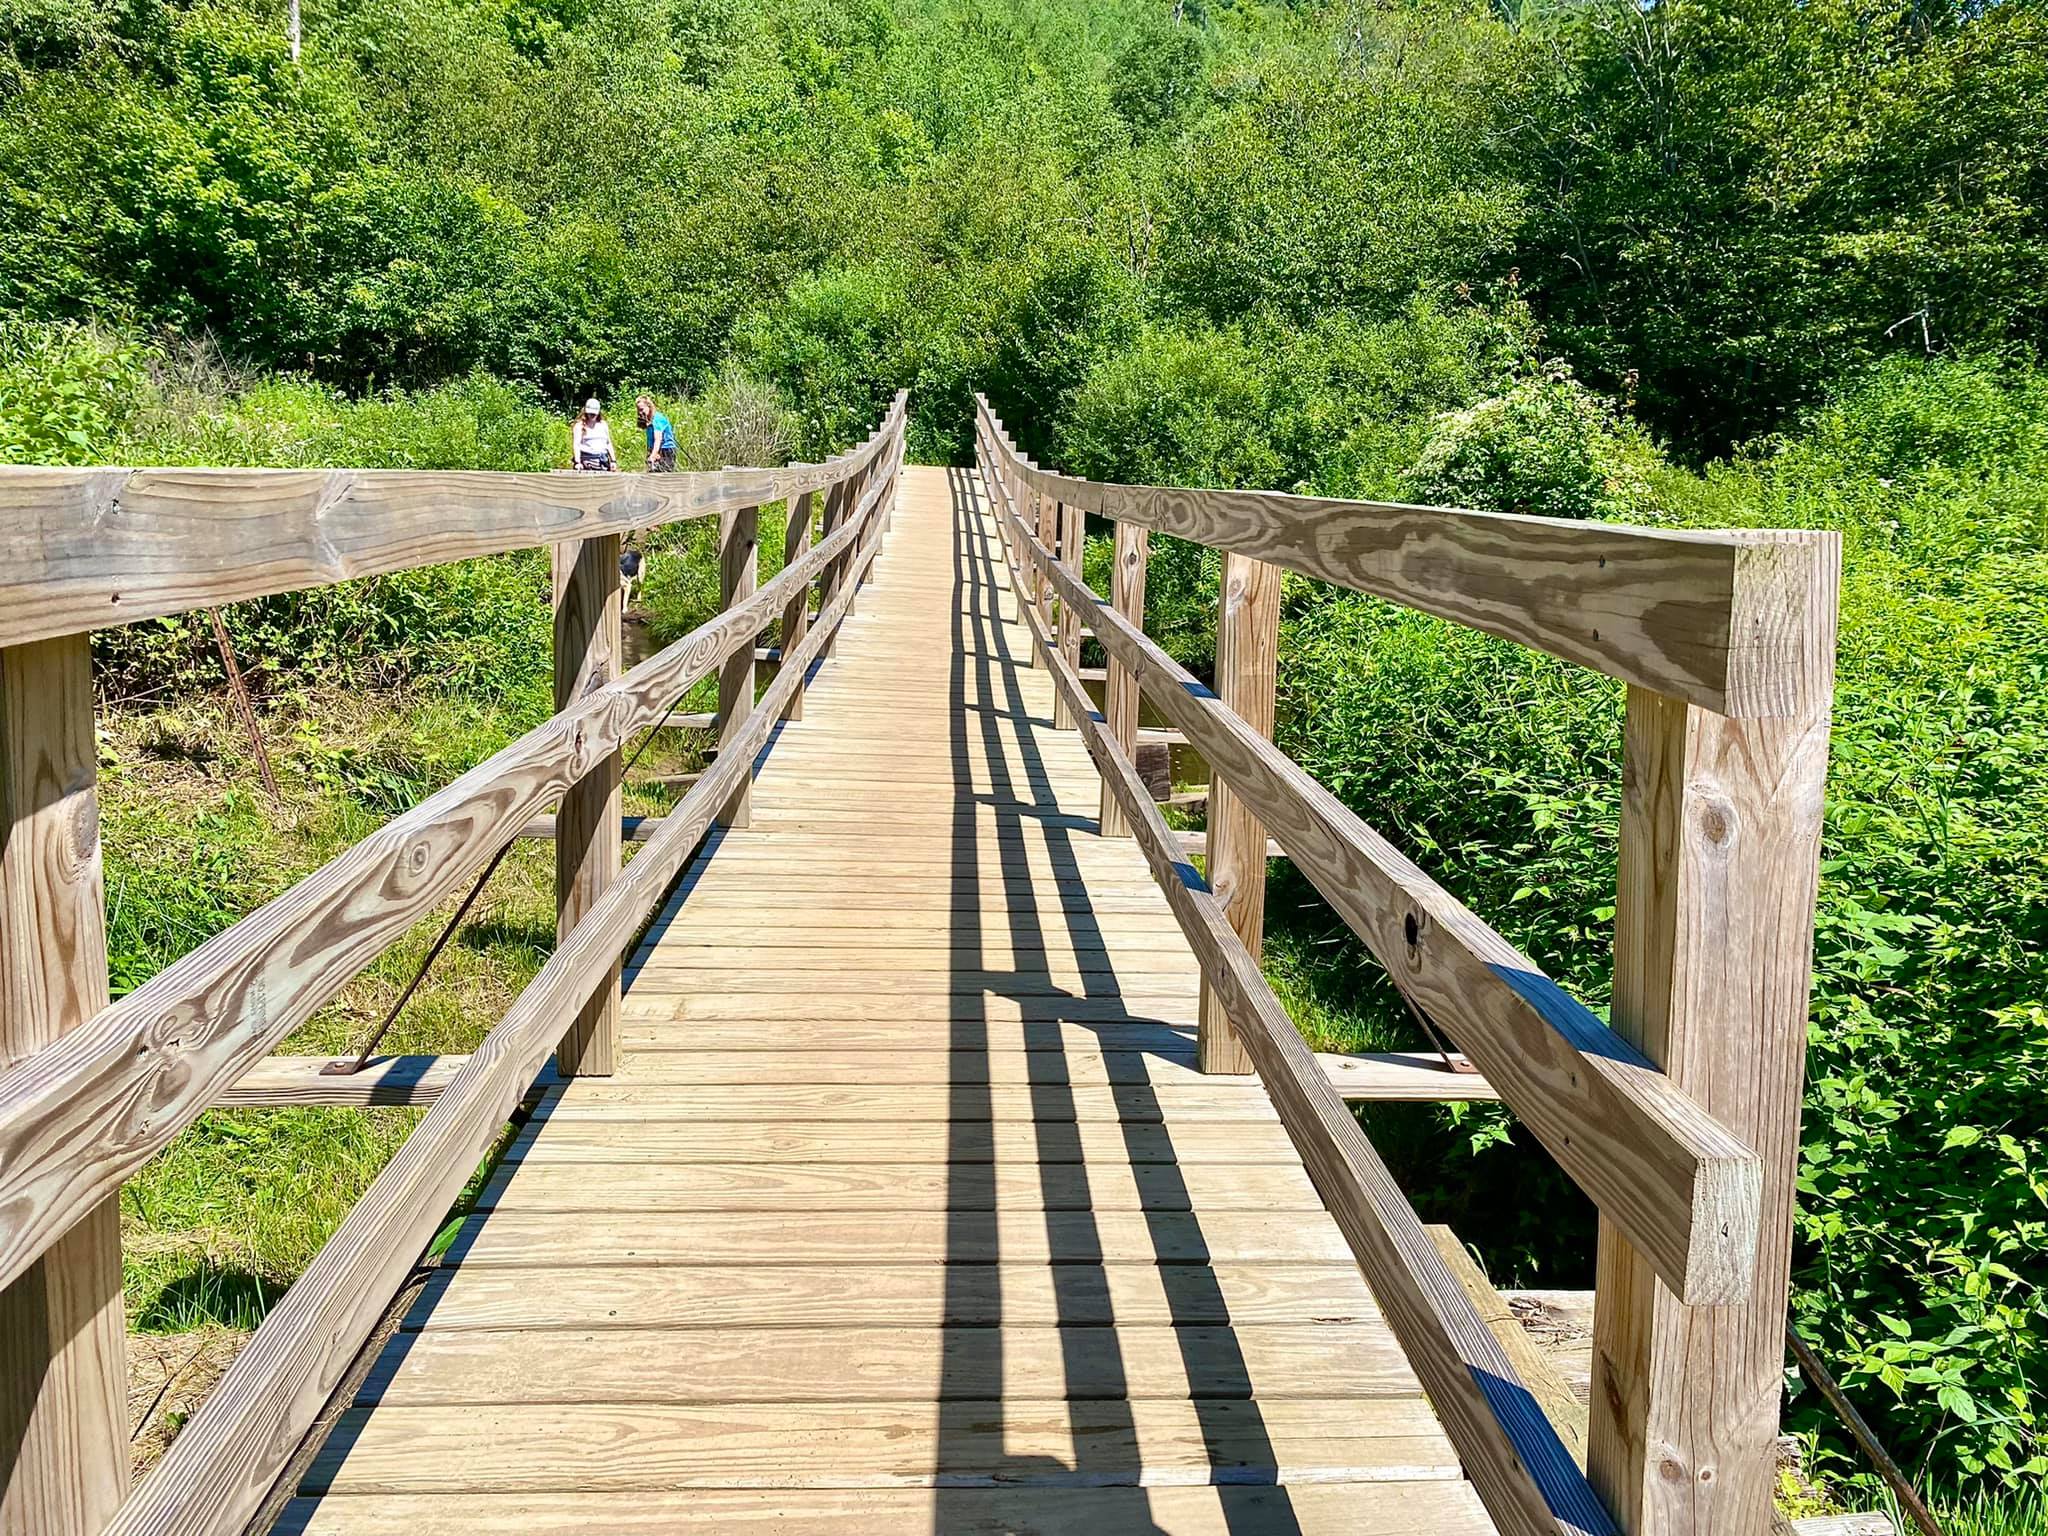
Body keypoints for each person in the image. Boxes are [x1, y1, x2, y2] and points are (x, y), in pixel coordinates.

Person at [571, 398, 616, 471]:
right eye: (590, 413)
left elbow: (608, 443)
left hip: (603, 461)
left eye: (594, 414)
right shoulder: (579, 426)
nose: (592, 415)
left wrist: (613, 461)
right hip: (586, 461)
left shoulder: (603, 425)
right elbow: (576, 445)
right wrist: (577, 462)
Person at [638, 395, 677, 472]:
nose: (640, 412)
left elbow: (658, 439)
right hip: (655, 449)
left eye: (642, 409)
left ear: (648, 406)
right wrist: (650, 453)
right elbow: (650, 440)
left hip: (666, 449)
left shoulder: (657, 419)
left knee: (664, 475)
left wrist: (653, 455)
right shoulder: (648, 420)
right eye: (638, 410)